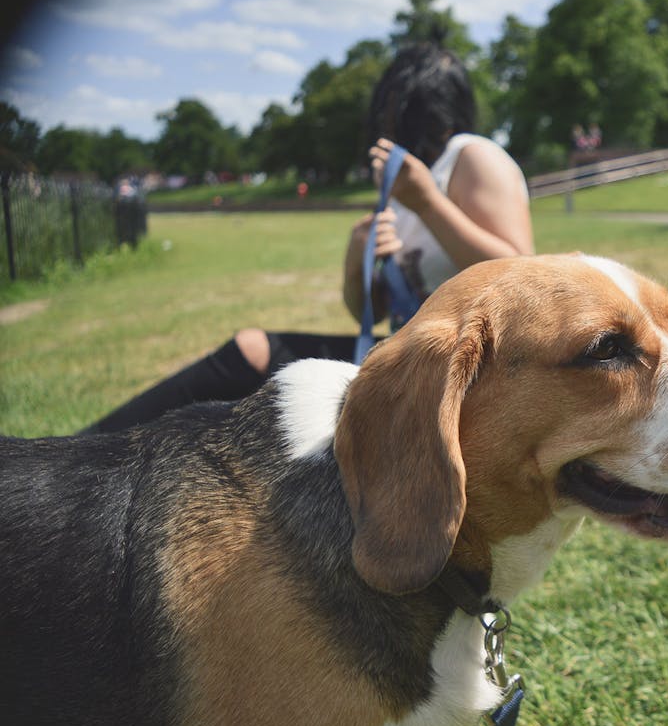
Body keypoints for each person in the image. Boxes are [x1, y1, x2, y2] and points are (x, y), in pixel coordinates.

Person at [82, 41, 533, 434]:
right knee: (254, 352)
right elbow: (371, 314)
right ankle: (89, 449)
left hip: (468, 374)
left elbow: (522, 279)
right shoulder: (410, 182)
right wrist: (356, 258)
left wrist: (427, 203)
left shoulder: (472, 156)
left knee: (257, 354)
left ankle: (87, 452)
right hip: (411, 359)